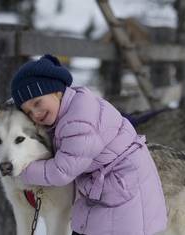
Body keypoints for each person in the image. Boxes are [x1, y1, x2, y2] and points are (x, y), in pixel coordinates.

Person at [11, 54, 167, 235]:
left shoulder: (78, 121)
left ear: (57, 91)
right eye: (28, 111)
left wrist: (24, 172)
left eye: (37, 102)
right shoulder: (70, 108)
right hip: (109, 186)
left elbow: (62, 171)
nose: (36, 113)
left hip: (123, 191)